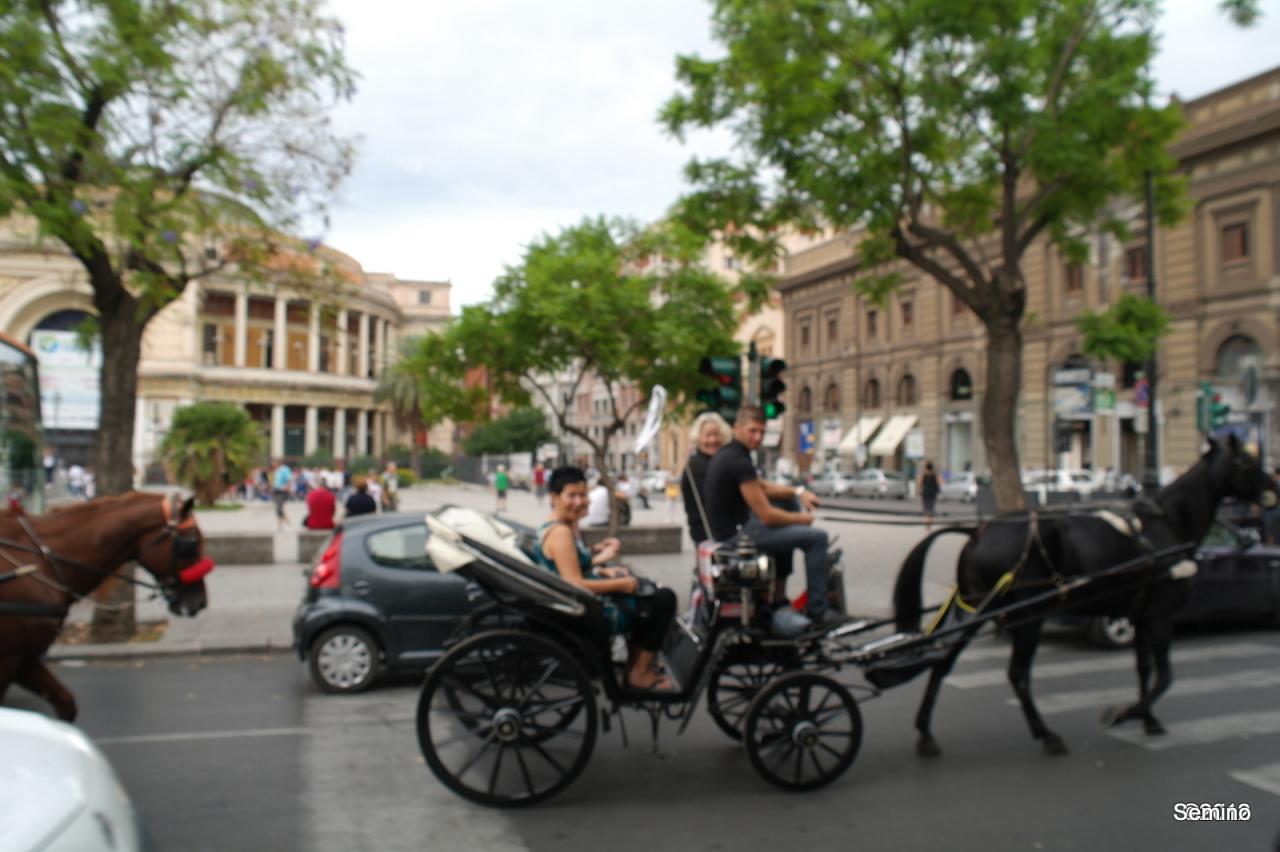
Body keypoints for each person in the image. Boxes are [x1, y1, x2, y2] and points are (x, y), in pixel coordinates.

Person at [532, 466, 677, 690]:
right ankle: (639, 673)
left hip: (583, 605)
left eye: (583, 495)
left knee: (648, 593)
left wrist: (604, 572)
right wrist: (623, 583)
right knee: (663, 599)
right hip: (589, 611)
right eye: (572, 495)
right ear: (554, 497)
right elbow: (575, 583)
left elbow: (573, 569)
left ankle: (636, 667)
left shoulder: (558, 527)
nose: (580, 501)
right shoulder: (560, 533)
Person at [704, 406, 839, 625]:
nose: (757, 437)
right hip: (739, 536)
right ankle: (819, 611)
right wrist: (804, 521)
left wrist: (798, 492)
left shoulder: (731, 453)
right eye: (752, 431)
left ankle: (778, 598)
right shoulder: (738, 461)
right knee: (817, 538)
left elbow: (761, 486)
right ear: (737, 428)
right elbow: (767, 516)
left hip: (733, 529)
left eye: (762, 432)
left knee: (787, 502)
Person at [680, 412, 731, 546]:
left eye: (716, 434)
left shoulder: (720, 461)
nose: (713, 440)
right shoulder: (697, 466)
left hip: (721, 531)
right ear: (699, 438)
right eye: (708, 435)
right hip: (708, 534)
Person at [919, 461, 941, 533]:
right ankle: (929, 525)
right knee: (931, 508)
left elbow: (920, 483)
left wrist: (920, 490)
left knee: (926, 508)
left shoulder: (924, 475)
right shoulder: (935, 475)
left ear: (926, 468)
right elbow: (939, 483)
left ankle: (927, 525)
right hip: (932, 493)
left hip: (925, 493)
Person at [271, 458, 293, 528]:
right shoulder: (277, 470)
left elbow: (289, 479)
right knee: (278, 507)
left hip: (282, 490)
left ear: (277, 463)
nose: (272, 464)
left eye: (273, 463)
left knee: (279, 508)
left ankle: (285, 520)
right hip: (276, 490)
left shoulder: (284, 469)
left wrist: (288, 487)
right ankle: (280, 524)